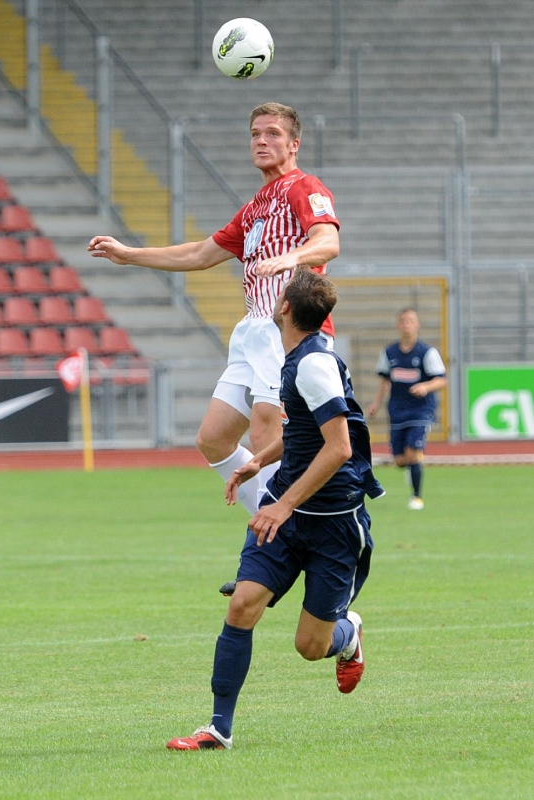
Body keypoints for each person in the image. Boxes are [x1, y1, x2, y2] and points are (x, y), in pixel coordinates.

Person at [88, 102, 340, 529]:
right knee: (213, 438)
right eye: (256, 133)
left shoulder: (304, 186)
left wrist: (289, 258)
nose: (262, 140)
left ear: (294, 144)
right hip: (254, 329)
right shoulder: (256, 207)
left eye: (274, 133)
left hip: (291, 332)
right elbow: (200, 253)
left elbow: (328, 240)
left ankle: (287, 537)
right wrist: (130, 255)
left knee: (266, 434)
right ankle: (279, 526)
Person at [166, 267, 384, 751]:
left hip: (333, 525)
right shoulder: (292, 359)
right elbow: (304, 435)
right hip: (285, 513)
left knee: (310, 647)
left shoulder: (313, 365)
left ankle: (349, 634)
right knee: (242, 604)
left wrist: (282, 505)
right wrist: (257, 462)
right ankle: (219, 728)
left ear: (284, 308)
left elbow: (339, 448)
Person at [367, 308, 447, 510]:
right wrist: (376, 403)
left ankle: (417, 497)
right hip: (397, 409)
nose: (406, 325)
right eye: (403, 321)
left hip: (421, 410)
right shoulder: (390, 353)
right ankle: (411, 470)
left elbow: (441, 380)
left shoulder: (427, 352)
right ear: (398, 325)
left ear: (417, 325)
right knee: (401, 460)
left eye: (410, 321)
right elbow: (385, 380)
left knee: (413, 453)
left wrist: (425, 386)